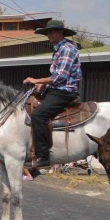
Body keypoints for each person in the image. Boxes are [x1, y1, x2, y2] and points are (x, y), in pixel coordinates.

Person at [23, 19, 82, 170]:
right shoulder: (58, 49)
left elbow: (60, 77)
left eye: (51, 32)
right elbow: (56, 76)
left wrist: (36, 79)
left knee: (39, 116)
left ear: (60, 33)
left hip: (64, 92)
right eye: (47, 32)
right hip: (56, 89)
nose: (48, 35)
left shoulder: (67, 49)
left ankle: (43, 156)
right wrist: (42, 84)